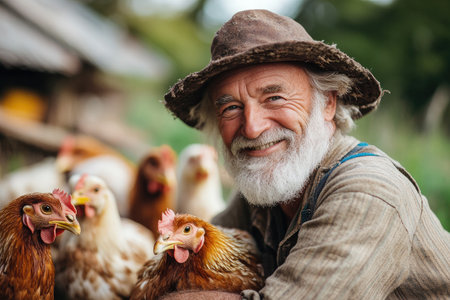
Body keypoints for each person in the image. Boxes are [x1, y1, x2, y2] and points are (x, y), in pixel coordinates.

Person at [162, 9, 450, 299]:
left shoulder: (369, 192)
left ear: (327, 103)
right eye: (231, 108)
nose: (251, 128)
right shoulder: (262, 194)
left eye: (274, 98)